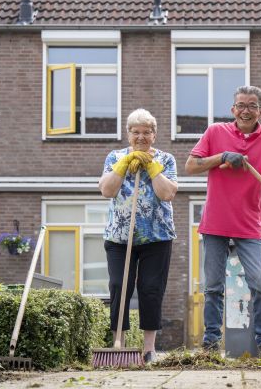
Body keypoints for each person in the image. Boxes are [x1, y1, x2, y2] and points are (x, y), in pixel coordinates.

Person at [185, 85, 261, 357]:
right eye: (241, 105)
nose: (245, 110)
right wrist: (220, 157)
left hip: (249, 224)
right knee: (214, 286)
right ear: (232, 109)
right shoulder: (216, 132)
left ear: (260, 111)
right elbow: (191, 166)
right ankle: (211, 345)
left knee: (260, 283)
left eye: (252, 106)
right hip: (215, 222)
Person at [99, 108, 178, 364]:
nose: (141, 137)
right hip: (119, 237)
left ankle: (148, 349)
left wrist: (153, 168)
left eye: (146, 132)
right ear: (128, 134)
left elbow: (167, 193)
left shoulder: (166, 159)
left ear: (154, 135)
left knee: (151, 289)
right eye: (136, 132)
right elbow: (107, 191)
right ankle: (118, 343)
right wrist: (122, 166)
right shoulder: (115, 157)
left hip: (157, 237)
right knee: (119, 286)